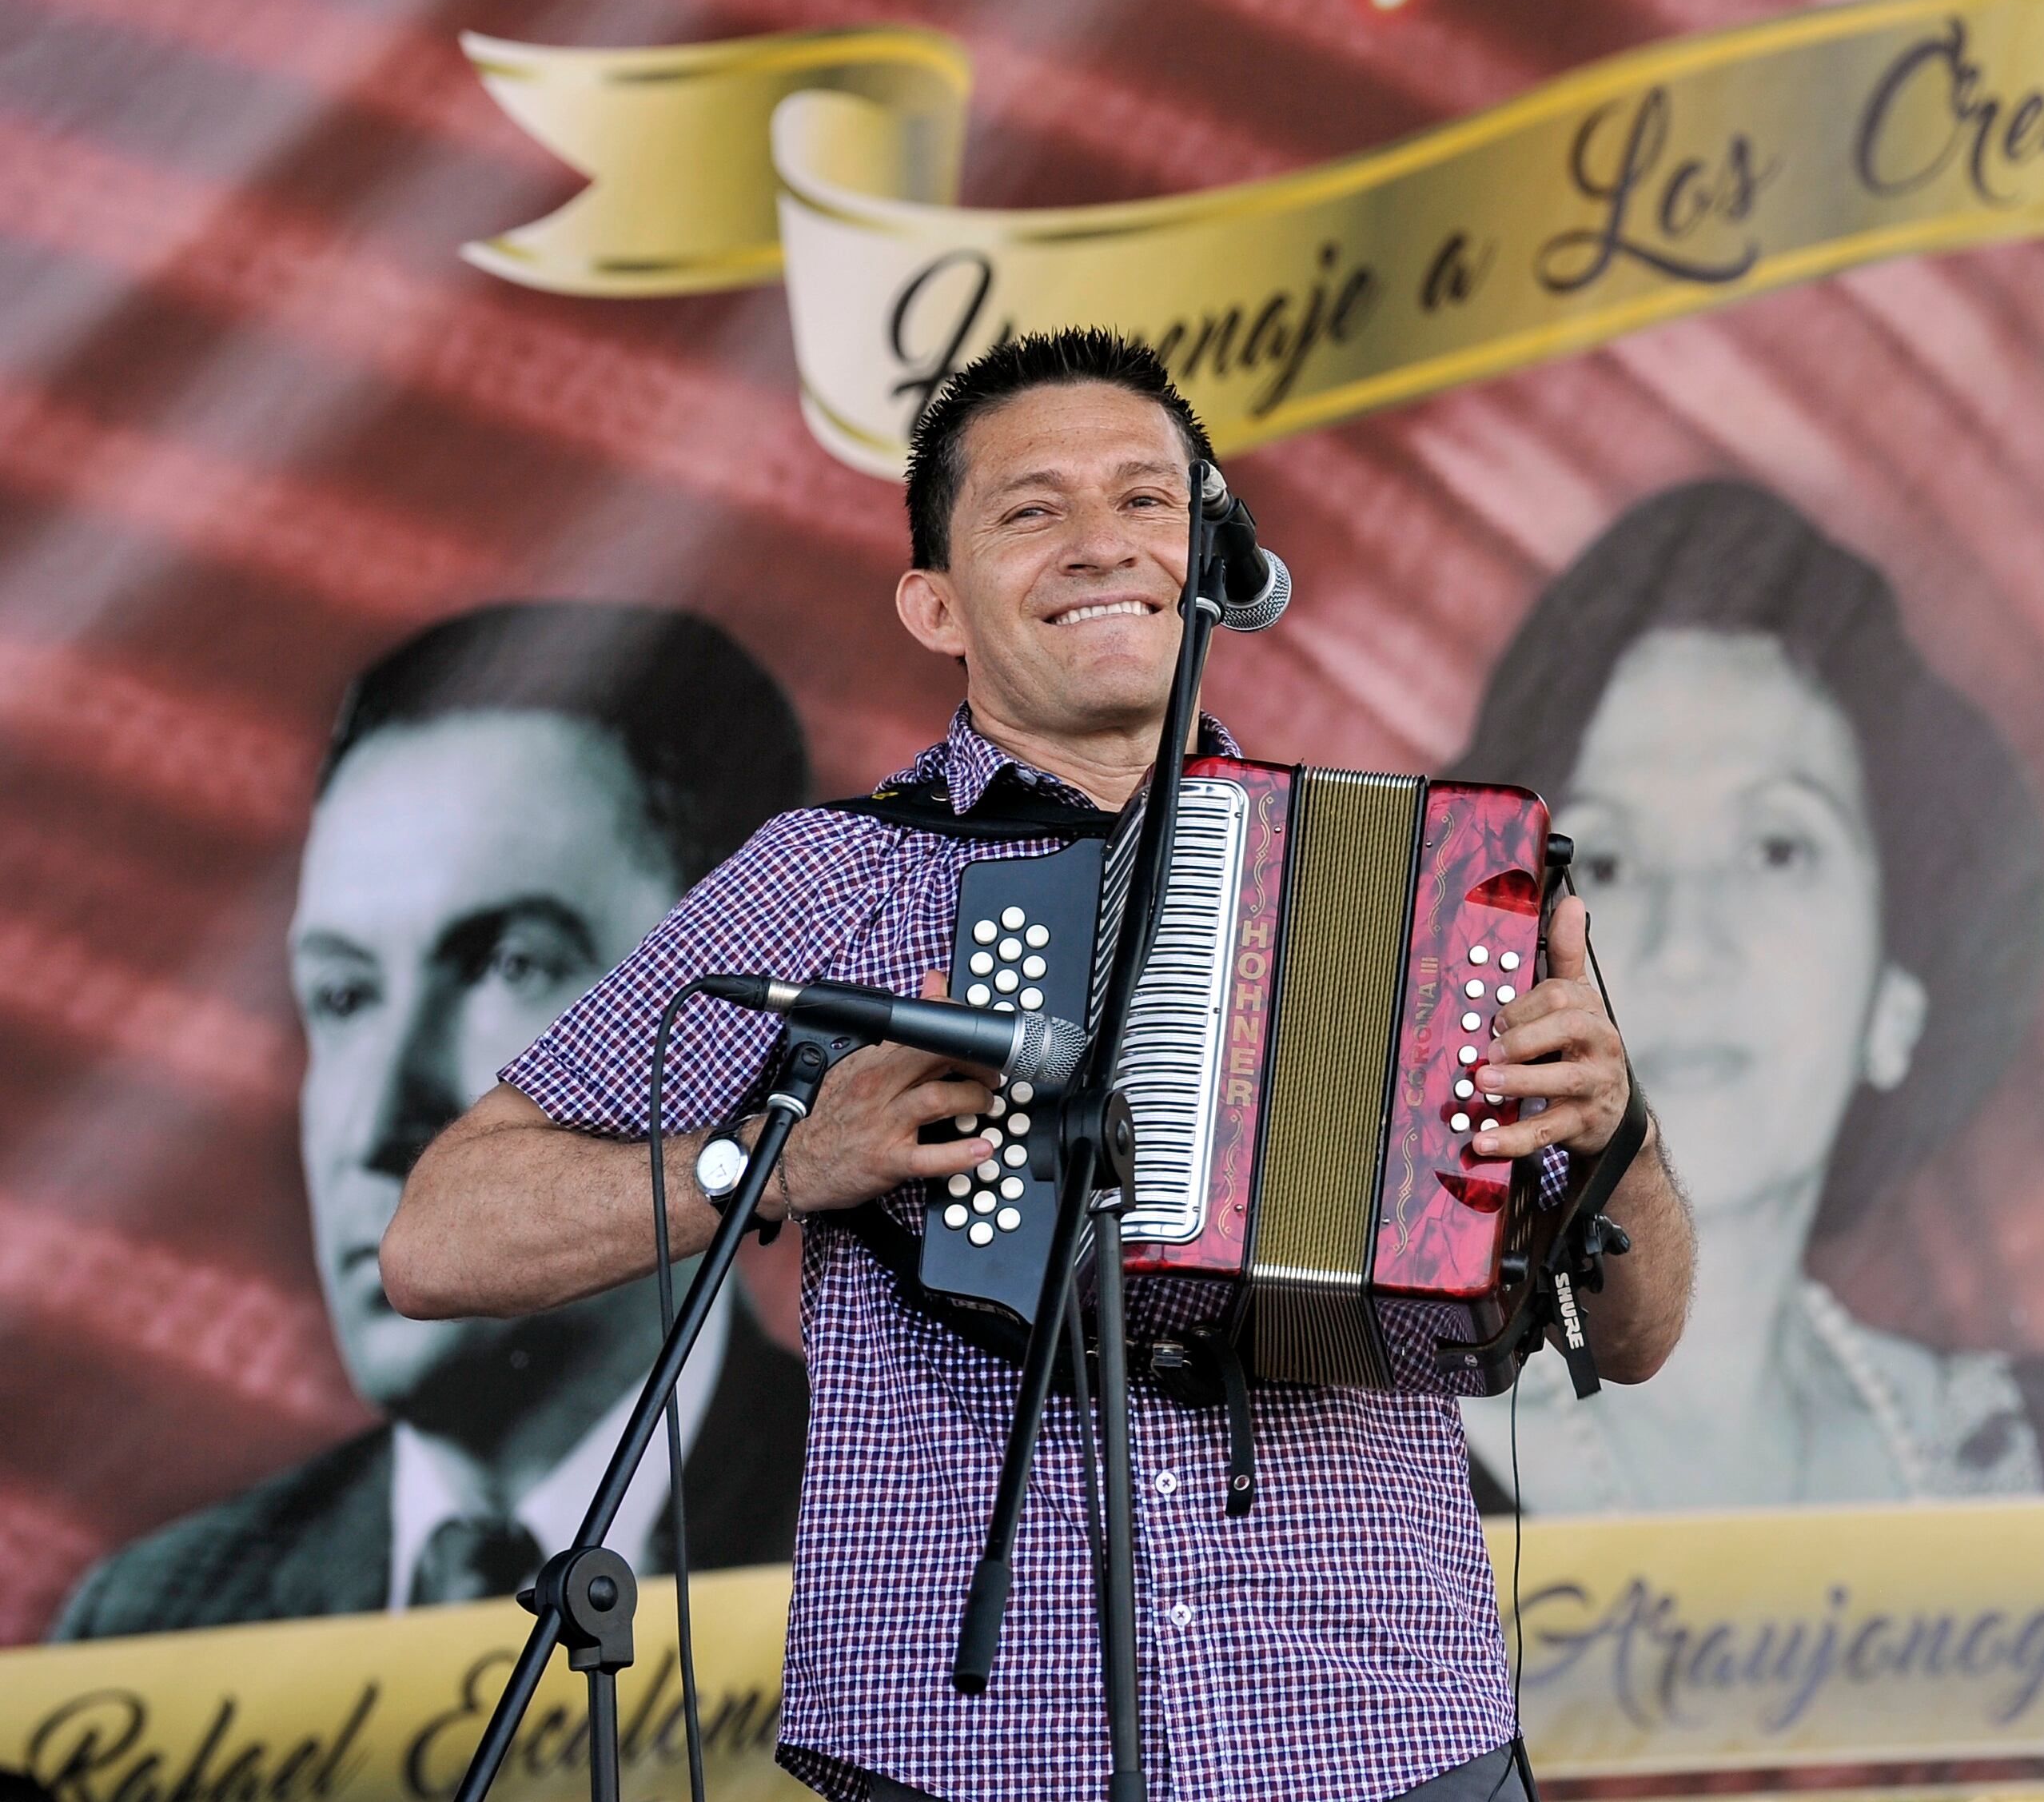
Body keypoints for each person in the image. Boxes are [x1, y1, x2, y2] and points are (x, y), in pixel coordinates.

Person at [375, 330, 1691, 1802]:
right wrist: (786, 1154)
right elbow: (439, 1236)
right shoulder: (835, 877)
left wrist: (1618, 1123)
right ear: (931, 603)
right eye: (1028, 508)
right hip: (979, 1749)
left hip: (1384, 1731)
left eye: (1146, 499)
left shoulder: (1417, 887)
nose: (1100, 543)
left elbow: (1634, 1332)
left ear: (1207, 557)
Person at [1448, 481, 2044, 1509]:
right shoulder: (1350, 1476)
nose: (1687, 948)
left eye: (1776, 847)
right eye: (1617, 861)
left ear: (1895, 999)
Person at [55, 604, 813, 1639]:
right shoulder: (150, 1629)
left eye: (512, 966)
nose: (376, 1123)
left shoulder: (945, 1556)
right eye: (343, 994)